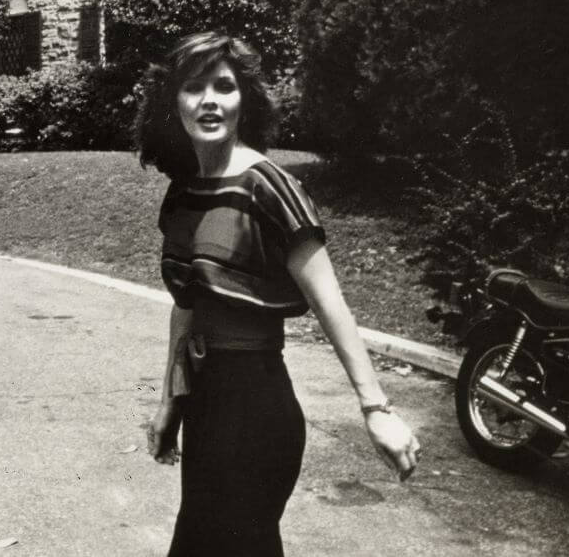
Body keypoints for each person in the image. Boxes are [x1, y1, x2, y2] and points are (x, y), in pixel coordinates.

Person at [139, 32, 421, 556]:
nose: (209, 101)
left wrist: (375, 407)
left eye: (224, 86)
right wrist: (169, 403)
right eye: (193, 87)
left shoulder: (269, 187)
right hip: (204, 404)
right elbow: (186, 307)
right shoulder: (182, 193)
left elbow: (329, 301)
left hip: (256, 405)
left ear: (244, 100)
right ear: (171, 101)